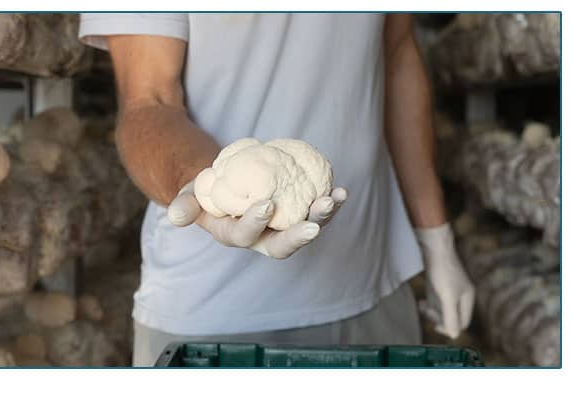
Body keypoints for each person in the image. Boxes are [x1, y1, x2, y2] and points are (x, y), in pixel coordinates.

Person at [79, 13, 475, 367]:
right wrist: (208, 194)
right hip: (216, 315)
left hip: (375, 291)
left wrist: (435, 237)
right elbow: (149, 101)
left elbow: (398, 58)